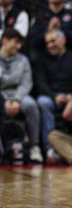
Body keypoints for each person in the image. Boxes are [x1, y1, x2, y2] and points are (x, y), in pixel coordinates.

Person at [0, 28, 42, 163]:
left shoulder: (23, 60)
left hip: (19, 95)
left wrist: (16, 99)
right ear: (5, 41)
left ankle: (35, 146)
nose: (19, 46)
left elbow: (26, 83)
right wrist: (3, 100)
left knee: (32, 105)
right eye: (16, 42)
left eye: (20, 43)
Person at [35, 29, 72, 162]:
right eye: (47, 43)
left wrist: (70, 97)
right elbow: (41, 83)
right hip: (52, 97)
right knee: (43, 102)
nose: (50, 45)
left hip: (70, 97)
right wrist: (54, 97)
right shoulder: (43, 59)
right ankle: (50, 149)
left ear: (63, 40)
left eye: (53, 41)